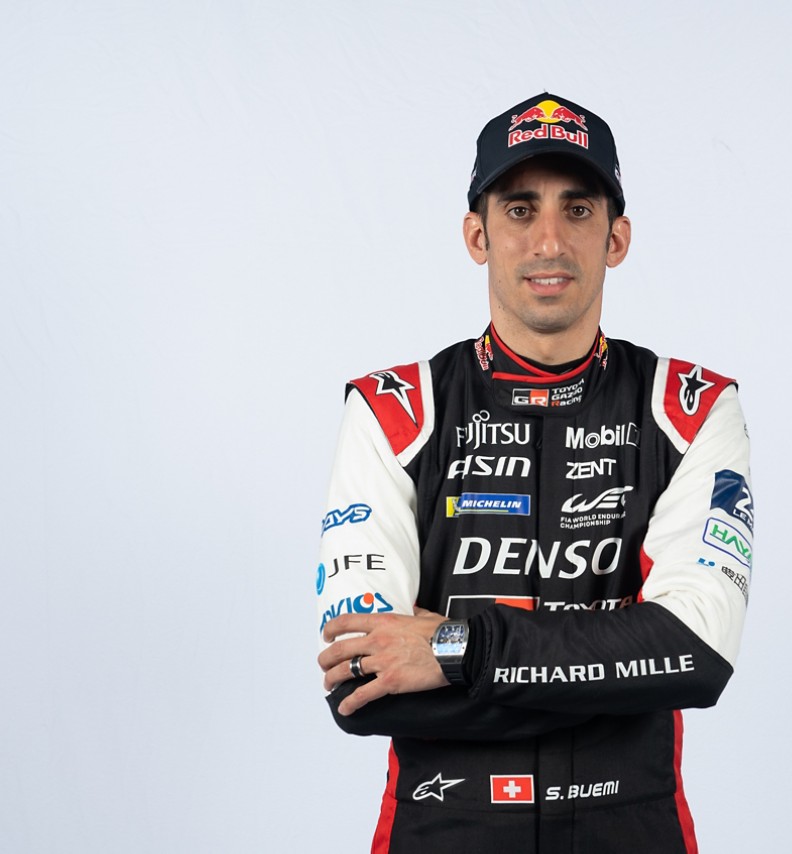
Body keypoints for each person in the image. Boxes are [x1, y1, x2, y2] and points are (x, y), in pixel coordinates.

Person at [315, 92, 754, 853]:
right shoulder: (393, 412)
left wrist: (455, 650)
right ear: (476, 235)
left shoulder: (691, 409)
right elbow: (362, 684)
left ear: (616, 237)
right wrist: (618, 665)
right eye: (520, 210)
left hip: (633, 832)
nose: (550, 240)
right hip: (443, 830)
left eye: (577, 210)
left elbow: (698, 656)